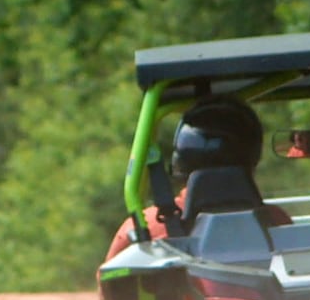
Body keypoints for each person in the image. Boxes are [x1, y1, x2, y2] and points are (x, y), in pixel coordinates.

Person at [103, 95, 290, 263]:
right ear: (252, 158)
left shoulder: (145, 226)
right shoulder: (275, 220)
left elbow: (107, 292)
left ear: (180, 161)